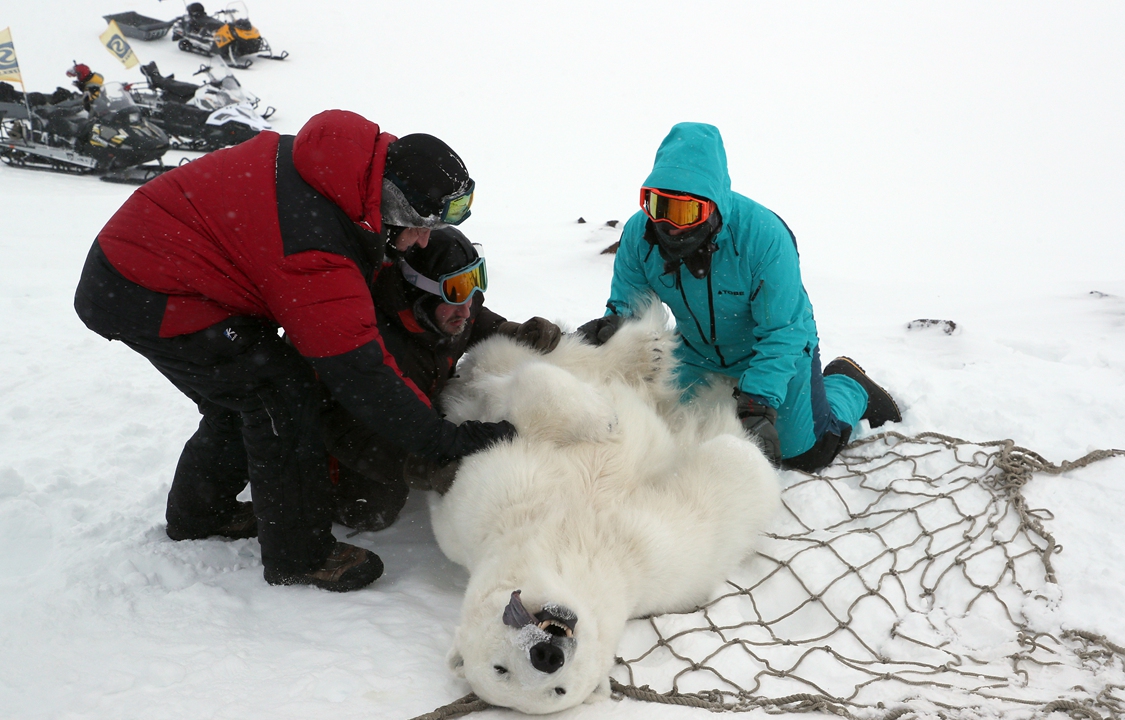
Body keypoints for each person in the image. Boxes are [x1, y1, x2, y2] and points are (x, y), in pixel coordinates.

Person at [74, 109, 516, 592]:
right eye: (419, 226)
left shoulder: (344, 171)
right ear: (390, 205)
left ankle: (201, 515)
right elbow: (359, 370)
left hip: (157, 265)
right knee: (279, 397)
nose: (424, 241)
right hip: (146, 288)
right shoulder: (316, 244)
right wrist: (442, 441)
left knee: (241, 396)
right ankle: (299, 557)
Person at [578, 122, 901, 473]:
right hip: (698, 354)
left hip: (774, 349)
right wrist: (612, 328)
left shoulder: (763, 238)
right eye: (657, 205)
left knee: (804, 453)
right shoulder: (639, 237)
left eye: (685, 212)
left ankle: (848, 384)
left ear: (712, 206)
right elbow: (631, 310)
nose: (669, 224)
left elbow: (783, 331)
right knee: (667, 438)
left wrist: (758, 405)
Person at [321, 227, 562, 532]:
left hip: (407, 399)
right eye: (455, 294)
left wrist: (514, 333)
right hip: (334, 430)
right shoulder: (371, 340)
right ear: (418, 292)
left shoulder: (448, 310)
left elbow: (475, 321)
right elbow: (344, 429)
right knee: (373, 510)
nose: (467, 307)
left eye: (472, 288)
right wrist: (422, 467)